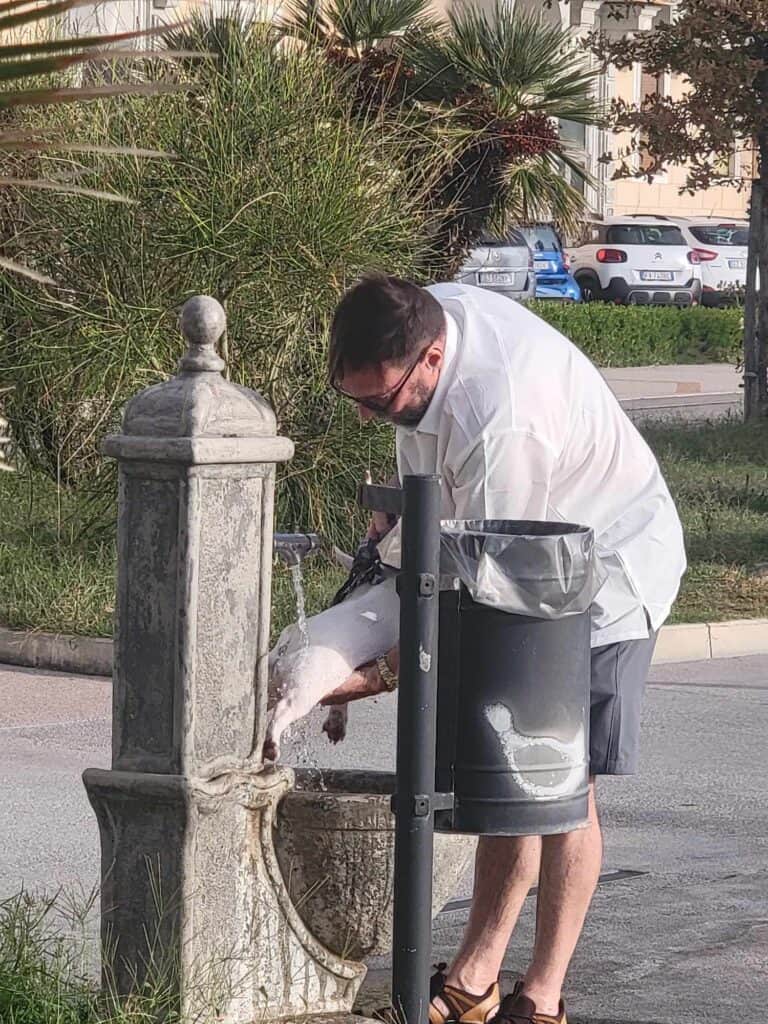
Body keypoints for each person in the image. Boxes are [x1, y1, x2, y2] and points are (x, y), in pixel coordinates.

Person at [320, 274, 686, 1024]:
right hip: (522, 555)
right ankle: (475, 980)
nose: (367, 417)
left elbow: (490, 582)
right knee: (510, 774)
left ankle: (542, 996)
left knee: (557, 782)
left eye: (380, 402)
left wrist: (381, 674)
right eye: (353, 399)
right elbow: (439, 533)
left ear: (430, 358)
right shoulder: (423, 313)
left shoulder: (502, 418)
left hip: (604, 572)